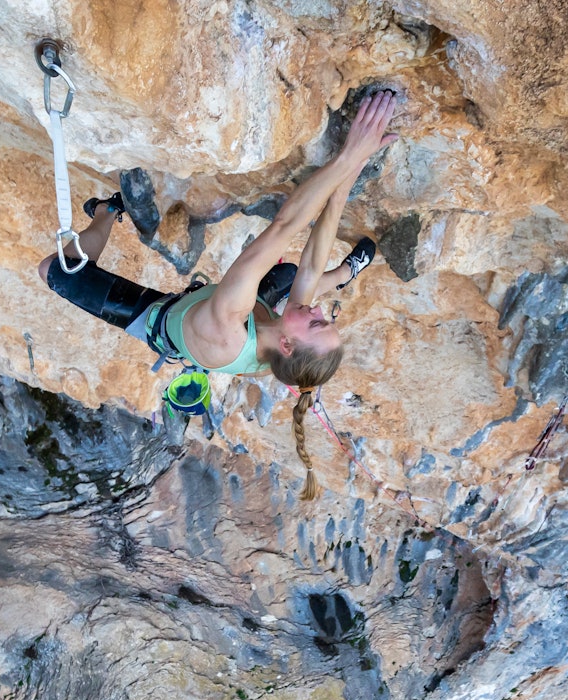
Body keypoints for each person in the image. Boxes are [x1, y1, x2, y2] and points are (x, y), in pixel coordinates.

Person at [37, 91, 399, 500]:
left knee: (55, 270)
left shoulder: (226, 327)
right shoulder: (284, 347)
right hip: (249, 308)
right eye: (326, 318)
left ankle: (107, 210)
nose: (317, 311)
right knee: (296, 276)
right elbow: (312, 266)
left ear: (286, 343)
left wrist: (346, 156)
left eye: (316, 323)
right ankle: (346, 274)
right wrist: (355, 165)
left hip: (161, 319)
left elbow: (284, 226)